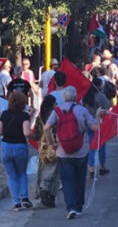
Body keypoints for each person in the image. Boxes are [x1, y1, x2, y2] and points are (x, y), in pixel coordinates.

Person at [43, 86, 106, 219]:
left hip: (63, 151)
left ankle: (70, 207)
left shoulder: (57, 111)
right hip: (81, 151)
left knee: (67, 181)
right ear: (75, 96)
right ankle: (78, 207)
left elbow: (46, 128)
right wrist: (98, 116)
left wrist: (51, 143)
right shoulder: (81, 110)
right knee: (79, 179)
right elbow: (95, 128)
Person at [0, 91, 33, 211]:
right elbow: (26, 132)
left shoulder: (4, 114)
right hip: (20, 146)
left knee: (11, 175)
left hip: (6, 146)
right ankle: (25, 197)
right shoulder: (24, 116)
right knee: (22, 173)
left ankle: (16, 202)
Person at [30, 95, 60, 207]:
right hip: (54, 146)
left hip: (42, 148)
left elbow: (37, 134)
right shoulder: (56, 115)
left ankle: (42, 188)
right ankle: (49, 194)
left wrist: (29, 135)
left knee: (42, 170)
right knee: (55, 171)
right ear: (52, 104)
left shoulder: (40, 117)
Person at [83, 78, 111, 177]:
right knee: (102, 146)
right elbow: (107, 108)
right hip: (100, 123)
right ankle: (102, 167)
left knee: (91, 147)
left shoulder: (86, 97)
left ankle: (91, 168)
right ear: (99, 86)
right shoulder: (101, 96)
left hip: (88, 123)